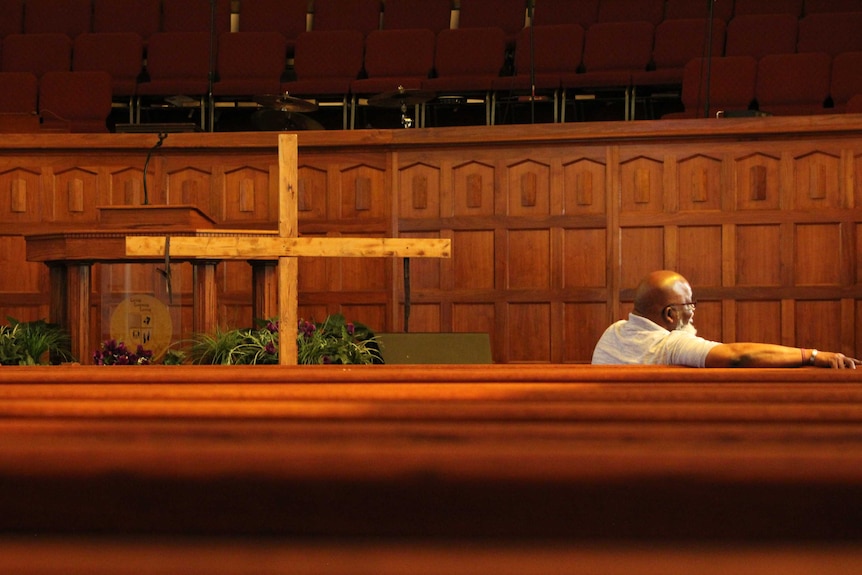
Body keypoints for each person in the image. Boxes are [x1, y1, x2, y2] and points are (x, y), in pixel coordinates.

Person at [592, 270, 860, 369]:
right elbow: (737, 356)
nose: (693, 311)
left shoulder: (612, 332)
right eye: (689, 304)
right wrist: (812, 355)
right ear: (670, 315)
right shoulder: (670, 346)